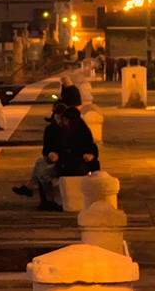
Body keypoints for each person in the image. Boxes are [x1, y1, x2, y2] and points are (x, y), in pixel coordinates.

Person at [22, 82, 100, 210]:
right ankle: (42, 197)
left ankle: (45, 199)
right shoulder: (79, 129)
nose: (62, 121)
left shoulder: (74, 132)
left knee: (42, 171)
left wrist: (61, 157)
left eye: (64, 119)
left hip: (73, 166)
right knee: (40, 165)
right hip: (69, 163)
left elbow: (74, 151)